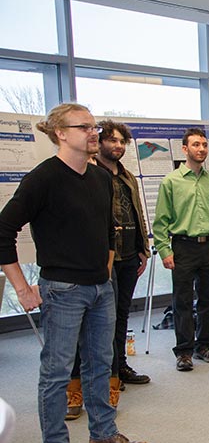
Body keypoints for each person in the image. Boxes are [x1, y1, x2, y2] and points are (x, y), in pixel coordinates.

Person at [0, 103, 148, 443]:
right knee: (57, 373)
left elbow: (107, 229)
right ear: (60, 133)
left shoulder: (101, 179)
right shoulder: (43, 179)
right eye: (84, 127)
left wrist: (108, 269)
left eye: (94, 126)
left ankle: (102, 433)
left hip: (101, 287)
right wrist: (21, 286)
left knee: (102, 363)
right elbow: (3, 231)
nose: (93, 132)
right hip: (62, 289)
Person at [66, 119, 152, 419]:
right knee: (97, 321)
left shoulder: (127, 175)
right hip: (103, 257)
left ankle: (119, 368)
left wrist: (143, 247)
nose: (117, 146)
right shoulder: (89, 174)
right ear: (99, 142)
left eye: (121, 142)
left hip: (129, 254)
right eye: (112, 141)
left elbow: (137, 211)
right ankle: (87, 383)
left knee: (121, 314)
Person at [153, 128, 209, 372]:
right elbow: (161, 221)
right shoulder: (171, 181)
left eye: (204, 145)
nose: (201, 149)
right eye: (196, 145)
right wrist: (164, 250)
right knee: (182, 301)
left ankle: (204, 345)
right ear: (185, 149)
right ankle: (184, 351)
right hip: (182, 246)